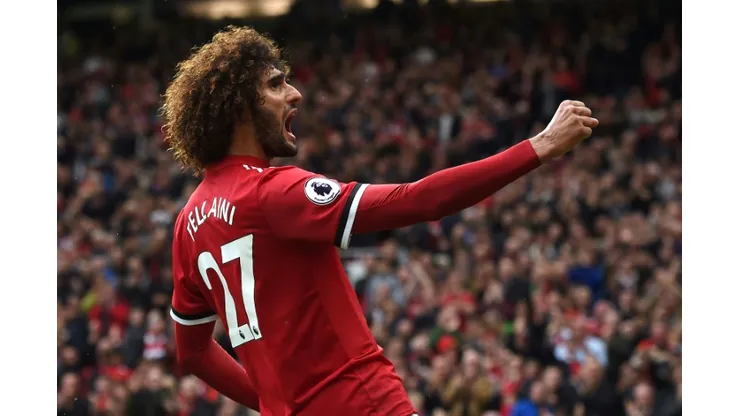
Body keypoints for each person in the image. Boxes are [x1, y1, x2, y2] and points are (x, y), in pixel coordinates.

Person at [162, 26, 598, 416]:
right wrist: (538, 147)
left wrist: (273, 405)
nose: (294, 94)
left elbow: (193, 353)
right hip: (362, 401)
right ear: (239, 108)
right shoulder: (271, 191)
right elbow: (419, 200)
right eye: (275, 84)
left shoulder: (187, 226)